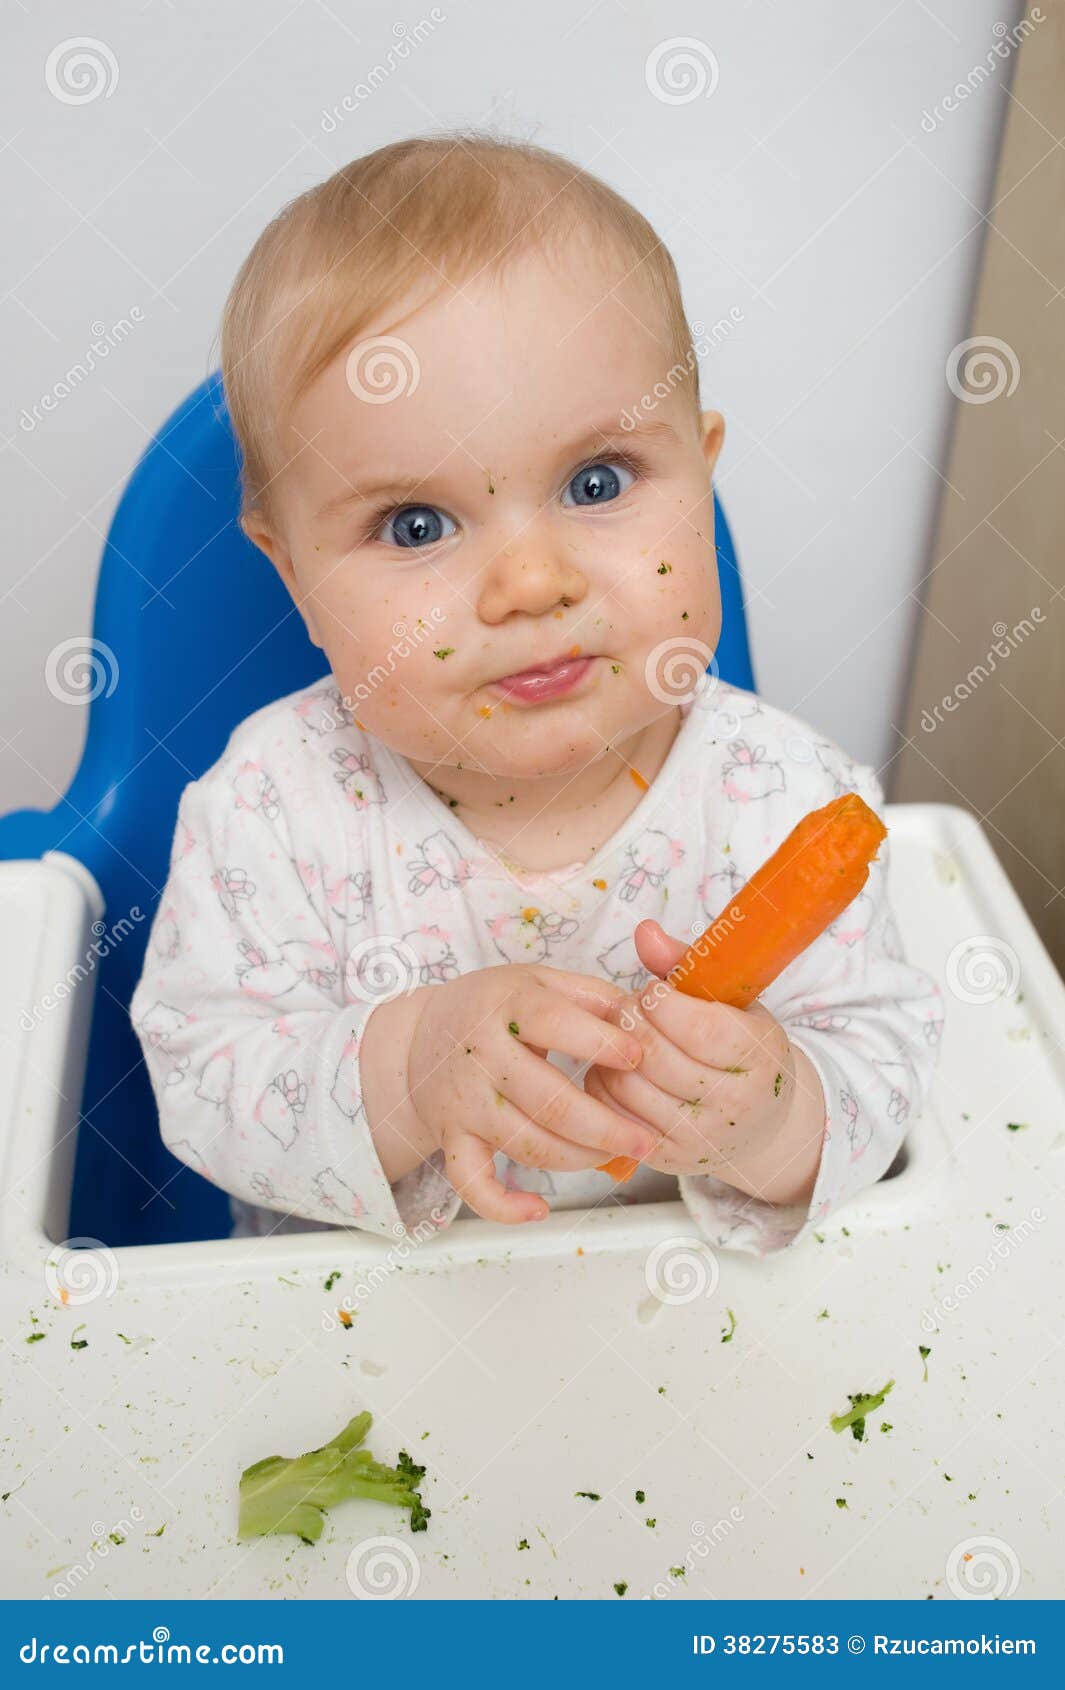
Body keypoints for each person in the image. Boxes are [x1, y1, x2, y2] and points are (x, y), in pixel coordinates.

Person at [130, 135, 942, 1253]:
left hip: (701, 1325)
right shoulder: (271, 808)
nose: (530, 582)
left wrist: (774, 1117)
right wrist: (407, 1073)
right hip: (356, 1330)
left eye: (596, 482)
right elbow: (200, 1076)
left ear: (701, 471)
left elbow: (889, 1067)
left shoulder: (783, 798)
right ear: (293, 575)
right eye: (416, 525)